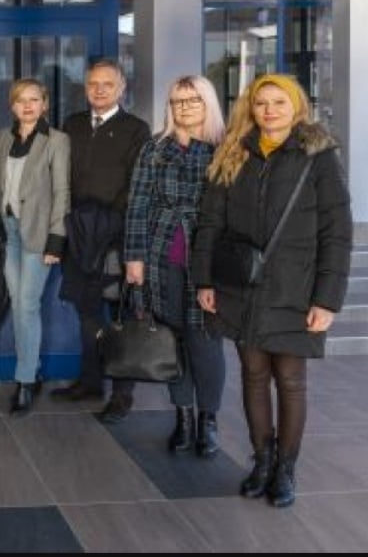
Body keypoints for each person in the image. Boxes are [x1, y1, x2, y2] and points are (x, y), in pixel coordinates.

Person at [192, 74, 351, 508]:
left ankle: (285, 469)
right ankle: (261, 461)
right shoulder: (233, 151)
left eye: (279, 102)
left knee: (291, 381)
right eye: (261, 103)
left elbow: (337, 232)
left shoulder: (318, 156)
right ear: (251, 107)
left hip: (295, 288)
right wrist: (204, 280)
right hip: (240, 285)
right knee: (253, 375)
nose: (269, 110)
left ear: (297, 106)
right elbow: (210, 223)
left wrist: (327, 299)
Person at [124, 75, 227, 457]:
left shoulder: (225, 149)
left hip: (209, 261)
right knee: (173, 340)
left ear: (207, 103)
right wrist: (134, 258)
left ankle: (208, 420)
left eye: (192, 100)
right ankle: (183, 416)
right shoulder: (154, 148)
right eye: (177, 101)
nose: (184, 107)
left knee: (206, 343)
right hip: (160, 256)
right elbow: (137, 205)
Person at [53, 58, 151, 423]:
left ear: (121, 88)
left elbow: (137, 187)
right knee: (87, 313)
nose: (99, 90)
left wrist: (108, 223)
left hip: (114, 237)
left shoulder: (136, 129)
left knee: (119, 314)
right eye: (93, 84)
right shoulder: (73, 124)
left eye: (107, 84)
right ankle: (90, 382)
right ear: (85, 87)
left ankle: (122, 395)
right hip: (79, 235)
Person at [0, 78, 70, 417]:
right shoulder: (2, 138)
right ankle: (31, 370)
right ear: (12, 106)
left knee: (26, 305)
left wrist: (56, 239)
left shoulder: (57, 140)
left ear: (45, 104)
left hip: (38, 234)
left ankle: (24, 380)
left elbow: (62, 192)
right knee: (19, 303)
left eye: (34, 99)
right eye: (21, 100)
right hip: (8, 232)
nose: (28, 106)